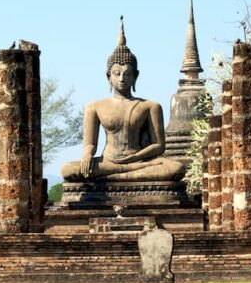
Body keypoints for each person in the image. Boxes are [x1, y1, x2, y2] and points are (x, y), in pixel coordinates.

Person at [61, 19, 186, 183]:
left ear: (135, 76)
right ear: (108, 76)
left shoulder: (150, 106)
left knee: (176, 168)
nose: (122, 78)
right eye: (116, 73)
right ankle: (121, 177)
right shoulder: (94, 107)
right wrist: (87, 155)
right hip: (108, 163)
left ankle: (114, 179)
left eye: (127, 74)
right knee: (67, 170)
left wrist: (135, 157)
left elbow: (159, 146)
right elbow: (90, 144)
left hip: (139, 163)